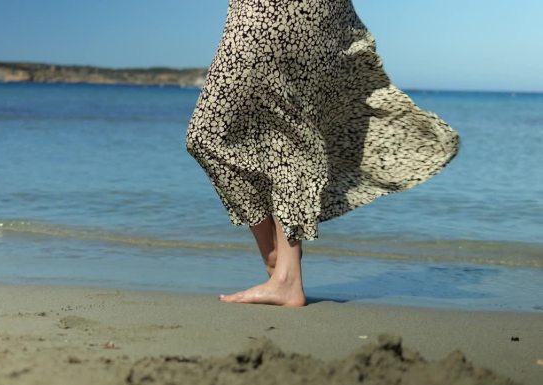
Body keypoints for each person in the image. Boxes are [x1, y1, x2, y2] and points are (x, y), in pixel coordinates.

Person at [185, 0, 460, 307]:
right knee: (239, 133)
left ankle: (282, 267)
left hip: (276, 10)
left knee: (236, 133)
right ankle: (281, 264)